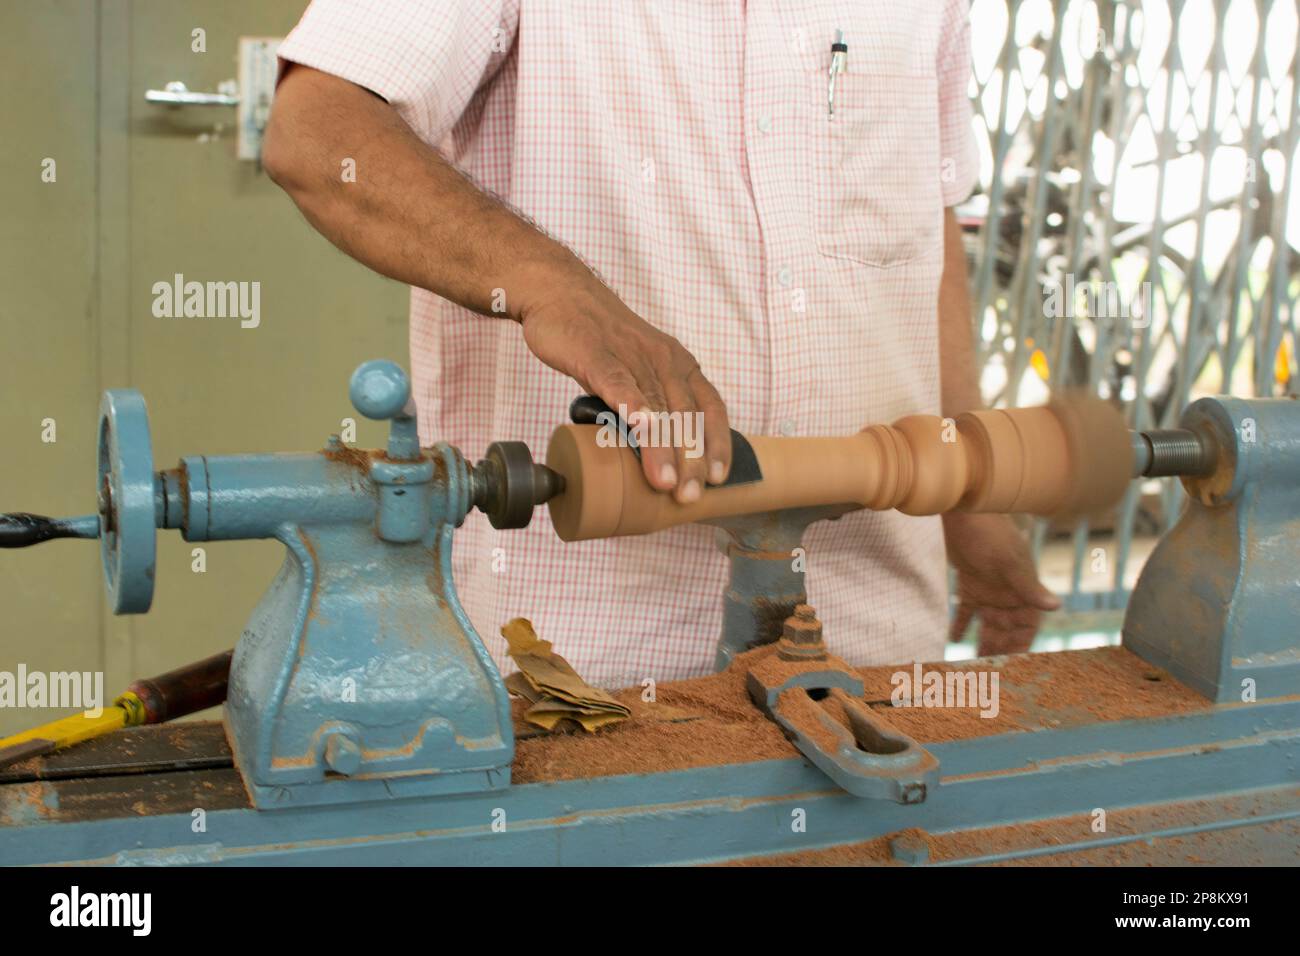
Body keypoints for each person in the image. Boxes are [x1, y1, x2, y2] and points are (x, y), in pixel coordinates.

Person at [262, 0, 1058, 687]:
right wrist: (552, 285)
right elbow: (317, 129)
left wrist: (971, 501)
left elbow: (926, 223)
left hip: (871, 640)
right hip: (579, 668)